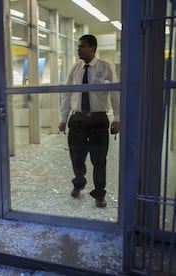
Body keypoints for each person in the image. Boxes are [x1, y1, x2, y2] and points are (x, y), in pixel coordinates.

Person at [58, 34, 120, 208]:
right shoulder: (75, 68)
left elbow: (115, 93)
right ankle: (79, 183)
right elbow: (67, 94)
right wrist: (63, 119)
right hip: (77, 120)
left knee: (99, 160)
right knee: (76, 157)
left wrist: (117, 118)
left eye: (82, 46)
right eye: (78, 46)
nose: (79, 49)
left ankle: (99, 194)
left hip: (98, 120)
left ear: (93, 48)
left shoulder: (105, 67)